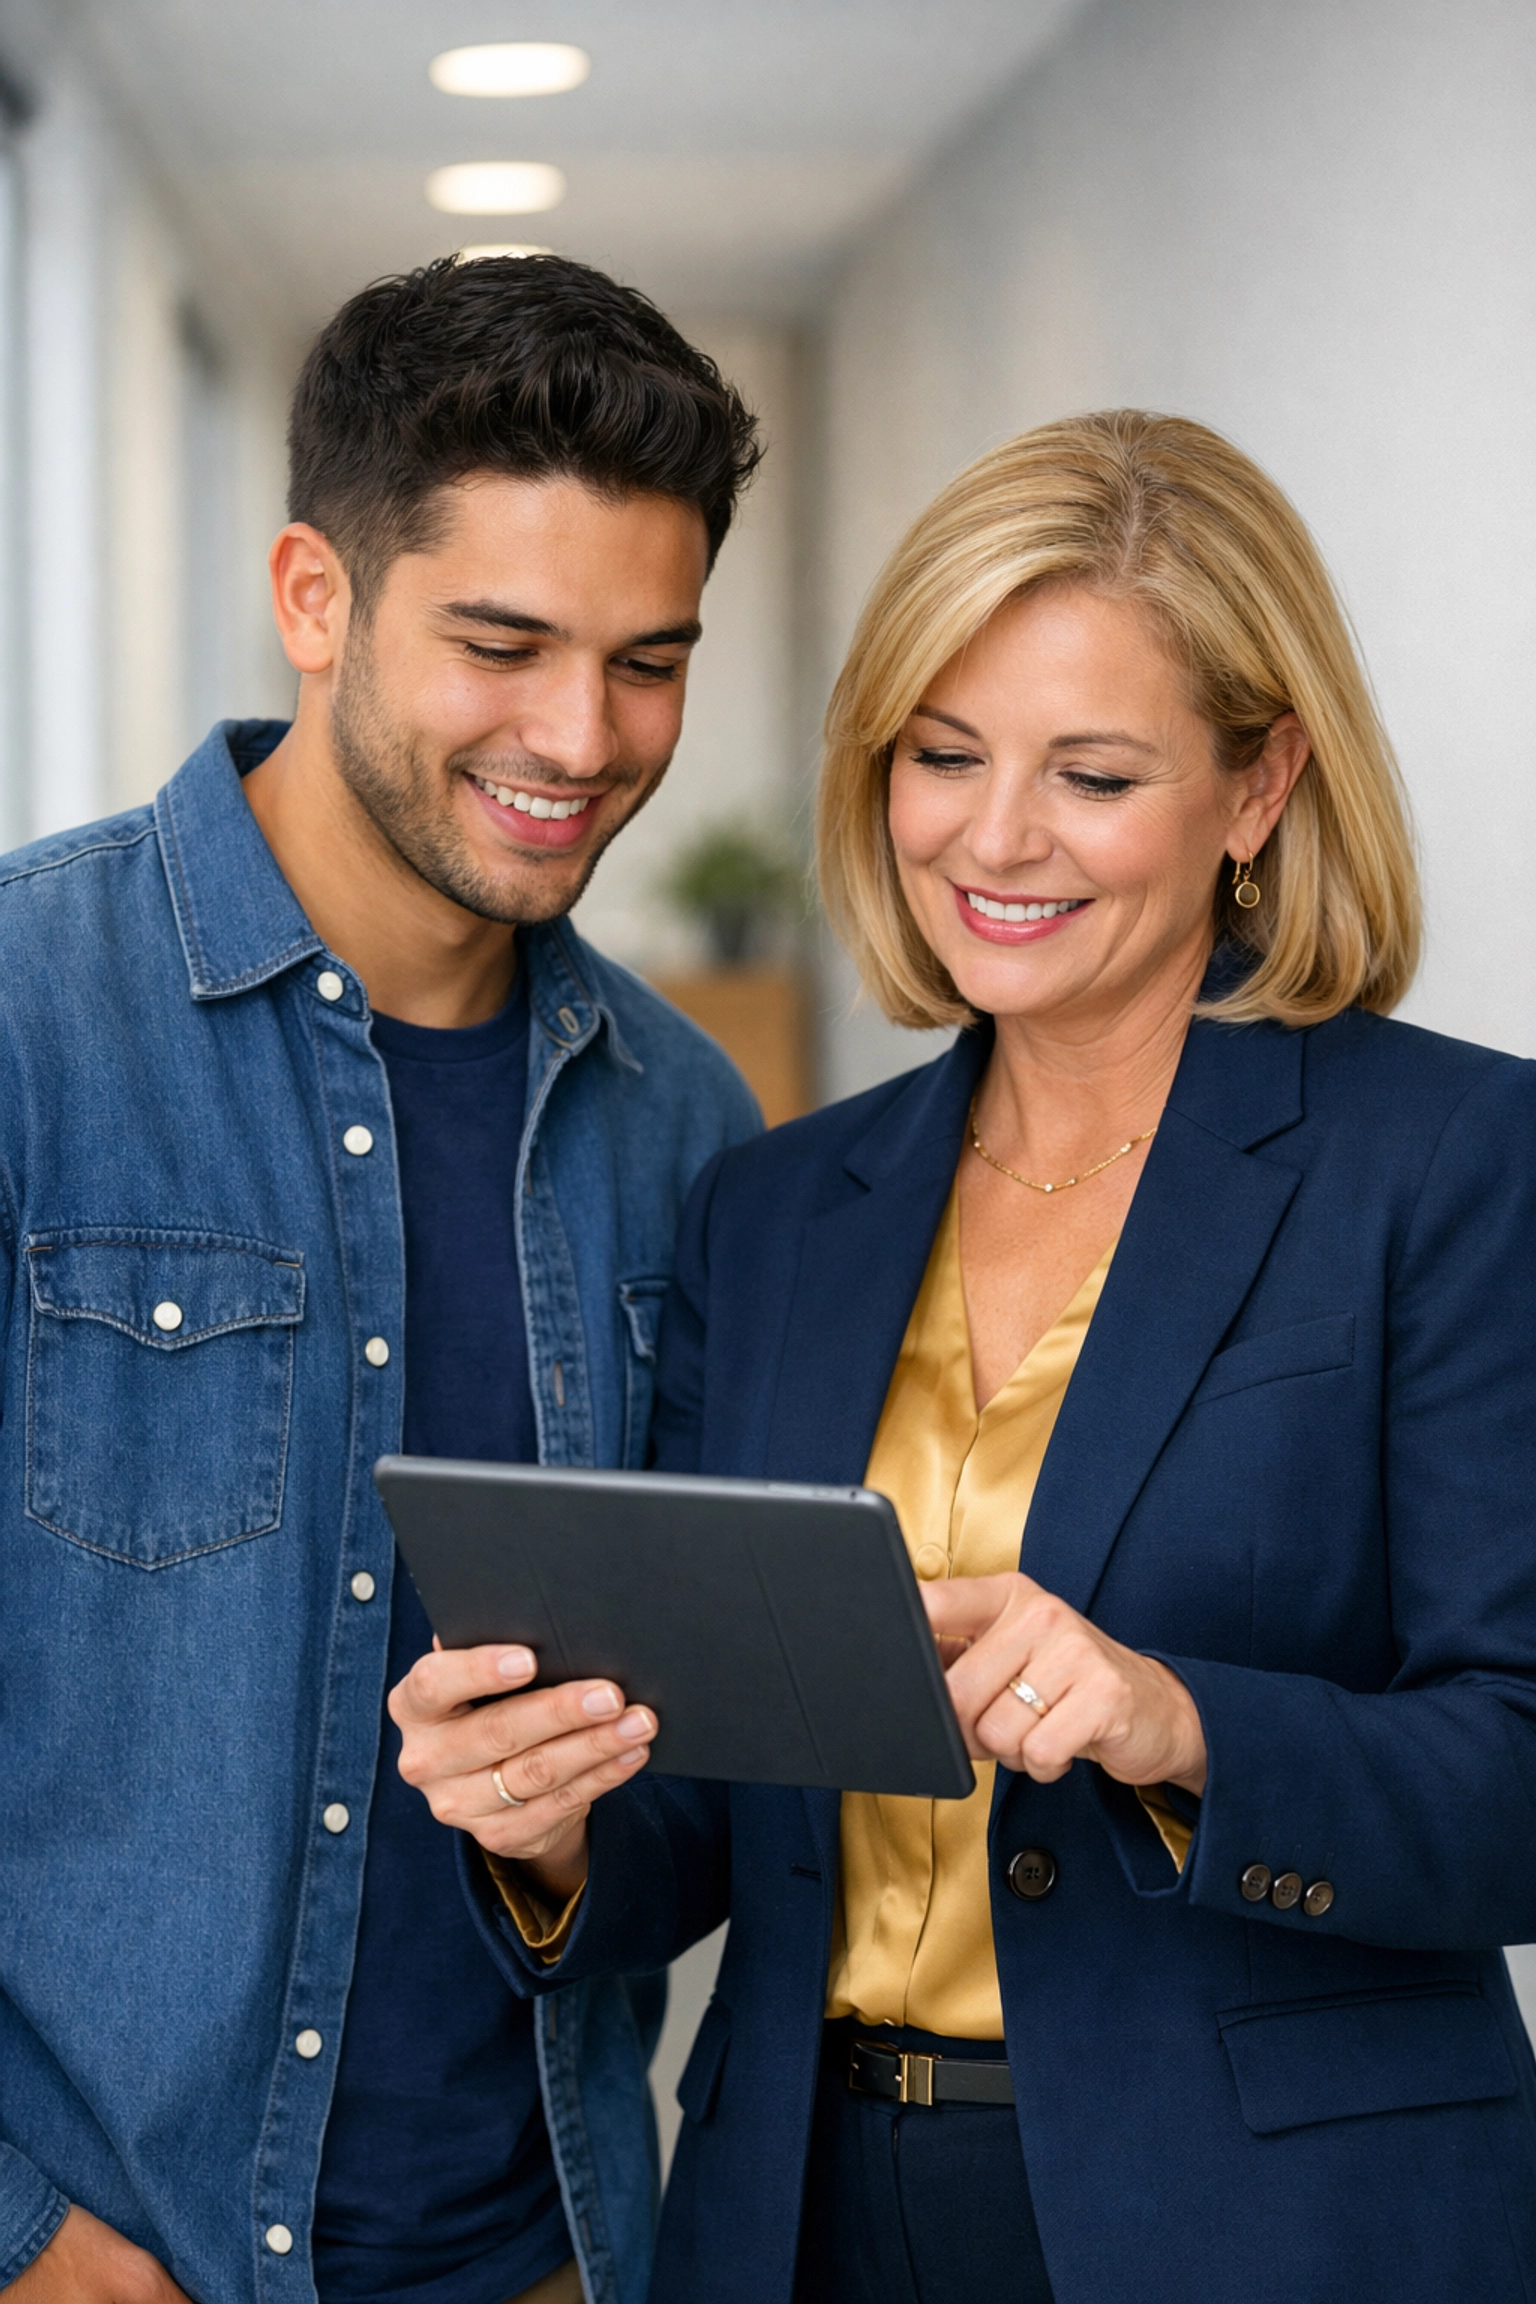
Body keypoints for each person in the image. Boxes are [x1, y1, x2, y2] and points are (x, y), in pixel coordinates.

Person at [397, 410, 1536, 2303]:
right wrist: (553, 1813)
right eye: (943, 757)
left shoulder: (1448, 1166)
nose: (993, 839)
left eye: (1092, 775)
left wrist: (1179, 1726)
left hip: (1265, 2227)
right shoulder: (773, 1209)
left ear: (1261, 789)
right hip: (801, 2205)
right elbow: (716, 1803)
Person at [0, 254, 761, 2304]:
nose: (583, 737)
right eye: (502, 643)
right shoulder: (24, 1020)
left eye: (649, 660)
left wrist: (566, 1849)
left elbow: (702, 1796)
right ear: (316, 600)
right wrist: (20, 2235)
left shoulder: (688, 1126)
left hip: (544, 2257)